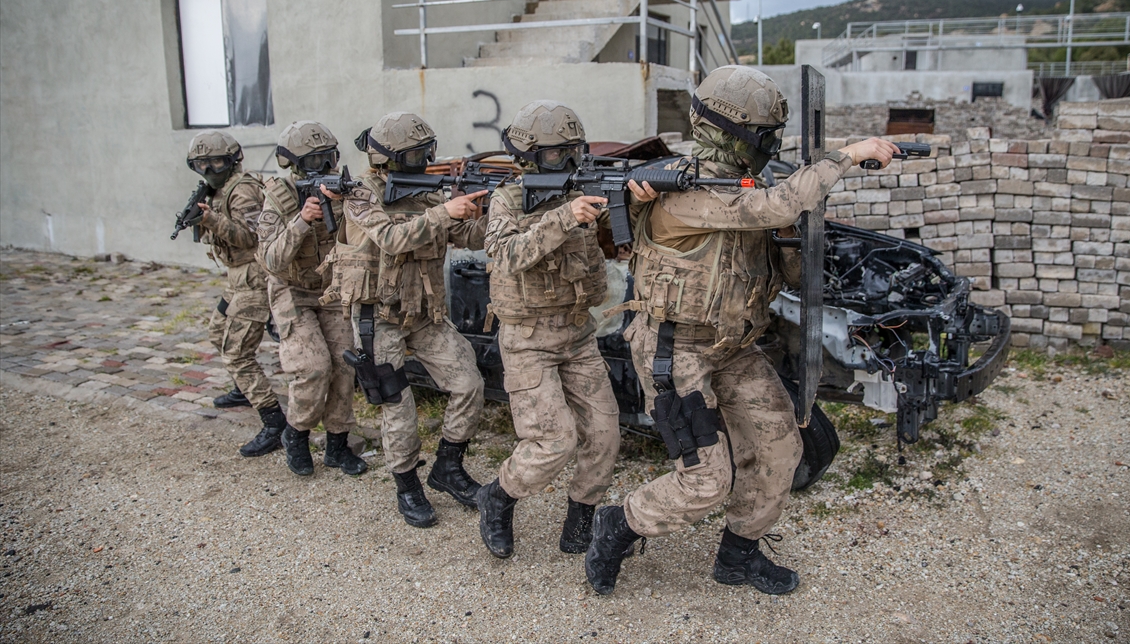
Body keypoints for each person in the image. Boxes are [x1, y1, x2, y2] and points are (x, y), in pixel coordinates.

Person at [584, 65, 899, 596]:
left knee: (780, 449)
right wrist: (848, 155)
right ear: (733, 133)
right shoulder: (678, 188)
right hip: (674, 348)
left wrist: (788, 237)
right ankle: (618, 525)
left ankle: (738, 556)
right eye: (762, 136)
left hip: (734, 345)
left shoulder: (741, 188)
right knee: (706, 481)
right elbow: (773, 204)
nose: (768, 146)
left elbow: (790, 269)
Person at [322, 112, 489, 526]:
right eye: (414, 154)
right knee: (398, 406)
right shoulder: (359, 194)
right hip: (377, 318)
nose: (423, 159)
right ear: (387, 159)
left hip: (423, 313)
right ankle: (406, 482)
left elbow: (466, 237)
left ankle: (448, 466)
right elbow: (392, 239)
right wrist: (444, 211)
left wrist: (483, 213)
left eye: (425, 151)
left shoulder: (425, 191)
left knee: (469, 383)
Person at [476, 100, 621, 559]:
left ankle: (579, 520)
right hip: (528, 338)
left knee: (604, 433)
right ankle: (497, 497)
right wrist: (563, 217)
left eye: (575, 150)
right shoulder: (509, 198)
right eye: (560, 154)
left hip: (577, 332)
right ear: (531, 155)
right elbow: (505, 254)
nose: (571, 162)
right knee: (554, 441)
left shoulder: (581, 190)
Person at [257, 121, 366, 478]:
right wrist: (301, 221)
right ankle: (297, 434)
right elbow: (271, 260)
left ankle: (337, 444)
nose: (325, 167)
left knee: (344, 363)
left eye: (328, 159)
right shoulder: (280, 197)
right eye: (314, 161)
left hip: (329, 287)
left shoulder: (340, 190)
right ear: (295, 165)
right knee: (312, 366)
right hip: (292, 289)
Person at [185, 130, 282, 457]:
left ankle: (274, 422)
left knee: (237, 352)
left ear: (232, 160)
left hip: (254, 276)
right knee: (217, 330)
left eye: (216, 162)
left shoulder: (242, 192)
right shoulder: (216, 190)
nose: (209, 169)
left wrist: (210, 219)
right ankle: (244, 389)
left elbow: (252, 237)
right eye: (201, 163)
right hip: (236, 277)